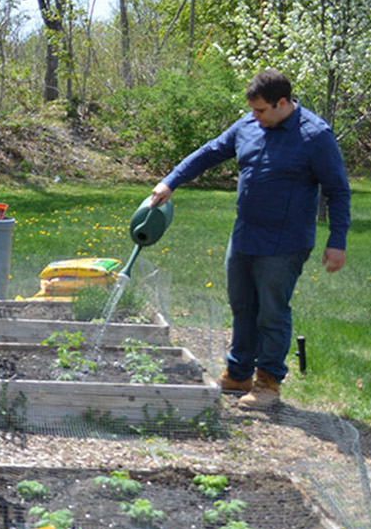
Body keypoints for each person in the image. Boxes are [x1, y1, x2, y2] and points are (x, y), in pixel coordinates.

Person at [146, 69, 350, 409]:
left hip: (285, 243)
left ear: (282, 103)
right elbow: (211, 151)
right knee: (241, 305)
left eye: (261, 111)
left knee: (271, 312)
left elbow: (338, 192)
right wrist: (171, 181)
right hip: (244, 236)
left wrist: (337, 240)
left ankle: (268, 382)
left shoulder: (315, 136)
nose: (254, 117)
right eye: (252, 111)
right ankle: (238, 373)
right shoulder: (248, 125)